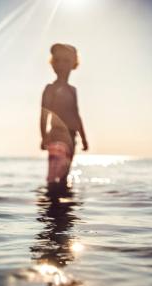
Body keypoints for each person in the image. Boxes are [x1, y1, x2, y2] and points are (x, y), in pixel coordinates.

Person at [40, 43, 88, 187]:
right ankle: (53, 205)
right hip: (57, 136)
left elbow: (76, 115)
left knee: (64, 176)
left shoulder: (72, 90)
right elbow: (43, 115)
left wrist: (84, 139)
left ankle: (62, 207)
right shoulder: (50, 89)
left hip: (72, 138)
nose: (61, 64)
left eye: (66, 60)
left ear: (74, 64)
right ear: (52, 64)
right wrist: (44, 137)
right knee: (54, 176)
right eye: (57, 60)